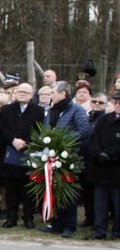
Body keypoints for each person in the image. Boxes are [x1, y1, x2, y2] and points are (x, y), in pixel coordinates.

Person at [42, 81, 89, 237]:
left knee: (68, 192)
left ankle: (69, 225)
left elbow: (83, 130)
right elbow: (45, 129)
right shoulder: (51, 111)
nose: (50, 95)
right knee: (54, 190)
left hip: (69, 156)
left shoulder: (77, 110)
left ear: (63, 94)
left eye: (53, 92)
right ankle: (56, 223)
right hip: (52, 155)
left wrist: (63, 141)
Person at [0, 83, 45, 228]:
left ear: (31, 95)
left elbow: (39, 130)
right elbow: (1, 128)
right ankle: (11, 217)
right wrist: (13, 140)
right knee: (10, 189)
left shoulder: (38, 111)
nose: (22, 94)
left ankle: (28, 218)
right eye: (20, 91)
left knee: (28, 189)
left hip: (28, 153)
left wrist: (26, 142)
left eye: (26, 92)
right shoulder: (6, 110)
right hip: (10, 152)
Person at [86, 91, 120, 240]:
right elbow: (94, 138)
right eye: (116, 102)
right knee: (100, 204)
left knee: (118, 205)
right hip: (100, 168)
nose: (118, 105)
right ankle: (99, 231)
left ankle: (117, 232)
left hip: (116, 169)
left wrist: (109, 154)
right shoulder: (104, 119)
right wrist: (98, 153)